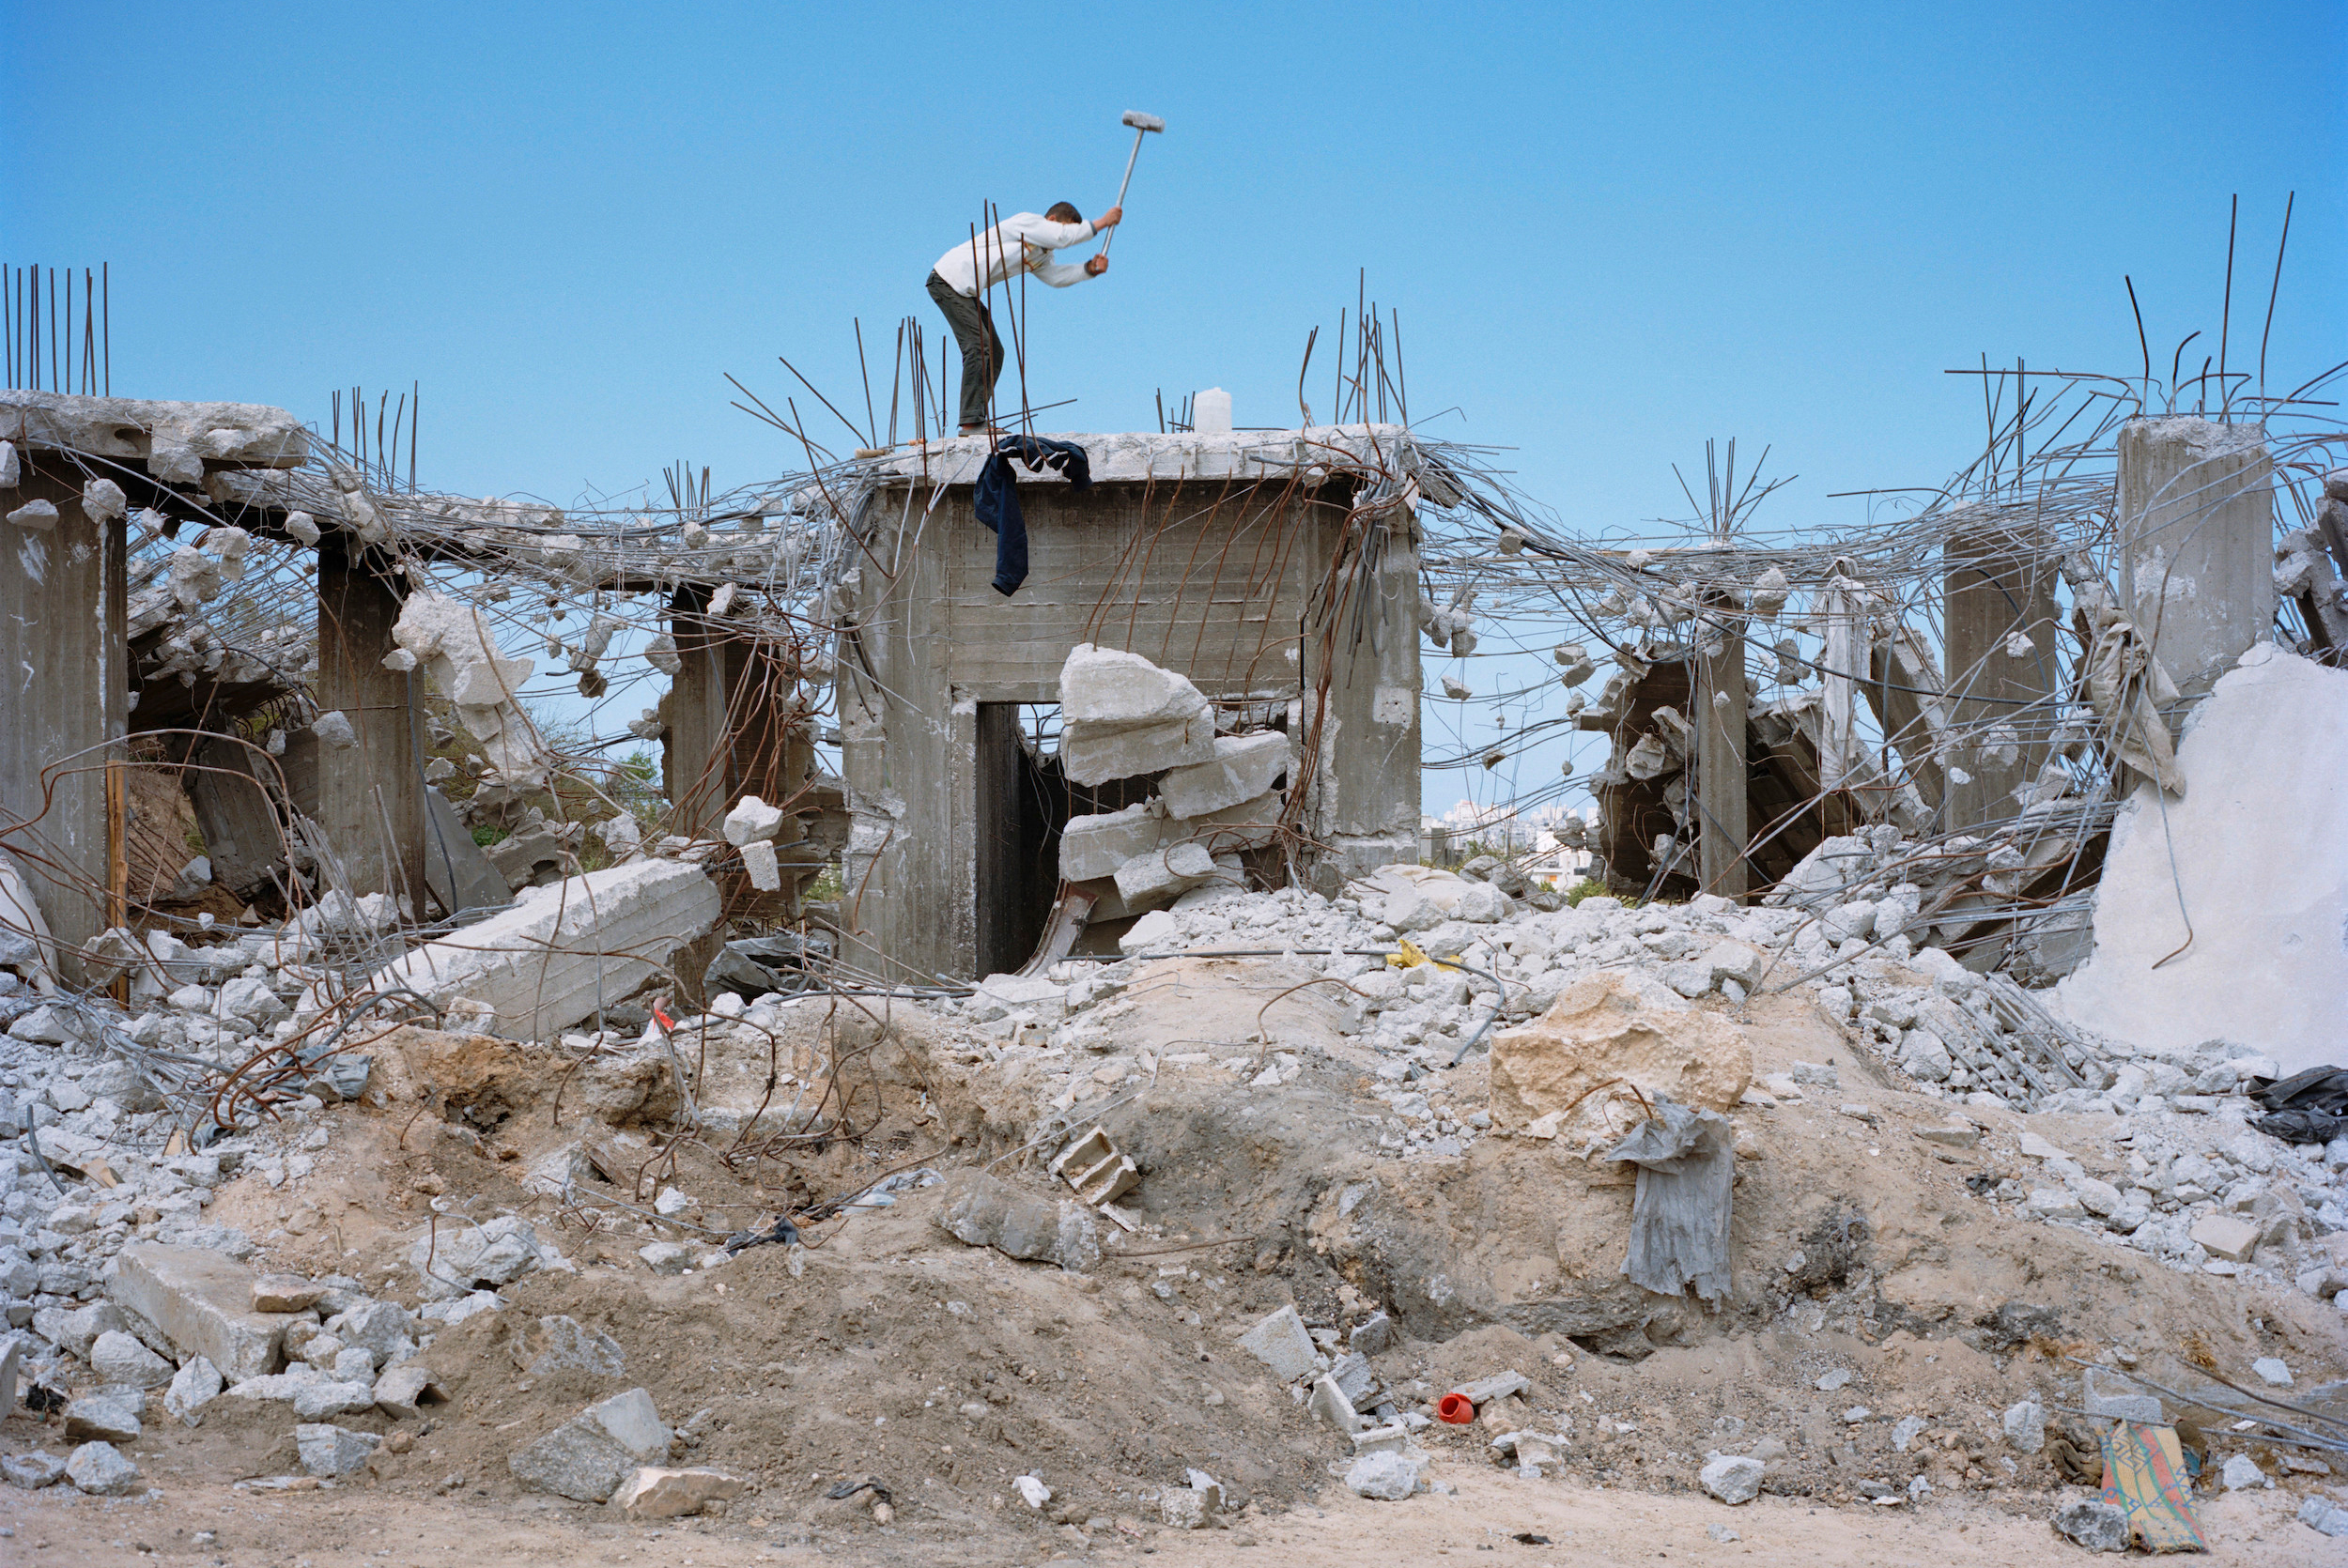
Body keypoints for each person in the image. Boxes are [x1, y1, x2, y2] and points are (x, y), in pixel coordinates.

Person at [925, 203, 1120, 437]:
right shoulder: (1029, 223)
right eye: (1067, 228)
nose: (1065, 235)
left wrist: (1089, 269)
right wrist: (1104, 221)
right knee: (978, 345)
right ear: (1052, 220)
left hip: (964, 291)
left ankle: (975, 419)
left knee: (994, 351)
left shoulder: (1042, 254)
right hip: (947, 279)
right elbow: (1062, 237)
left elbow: (1055, 277)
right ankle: (970, 423)